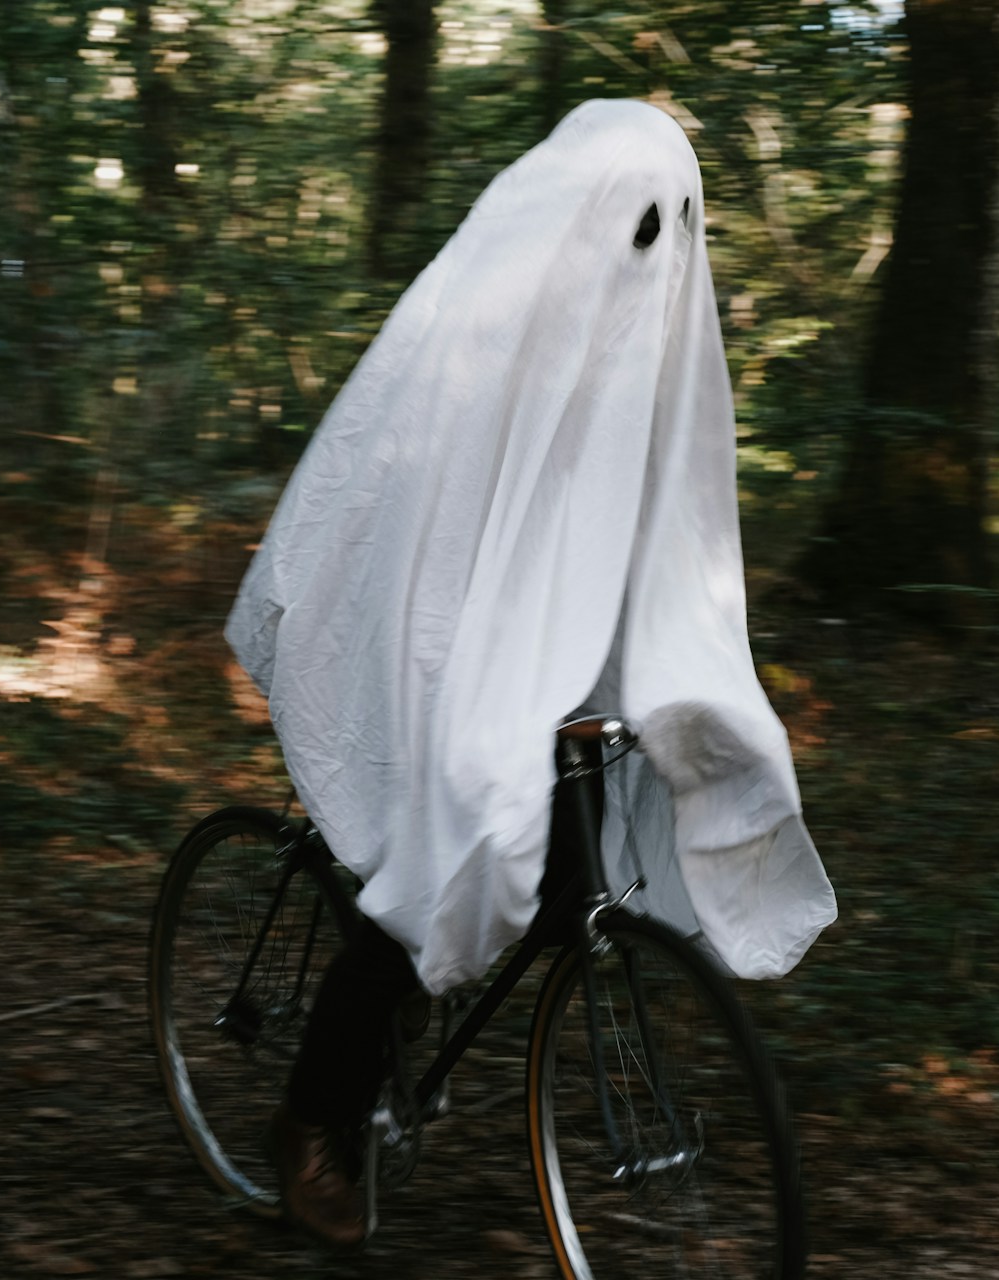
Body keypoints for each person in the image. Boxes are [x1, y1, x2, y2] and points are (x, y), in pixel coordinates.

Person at [226, 99, 837, 1246]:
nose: (660, 247)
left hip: (543, 667)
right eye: (641, 220)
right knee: (437, 864)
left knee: (554, 870)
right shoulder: (486, 328)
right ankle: (310, 1120)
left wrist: (636, 666)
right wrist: (486, 672)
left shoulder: (647, 339)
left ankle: (420, 1045)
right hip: (421, 646)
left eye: (679, 223)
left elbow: (649, 524)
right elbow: (435, 526)